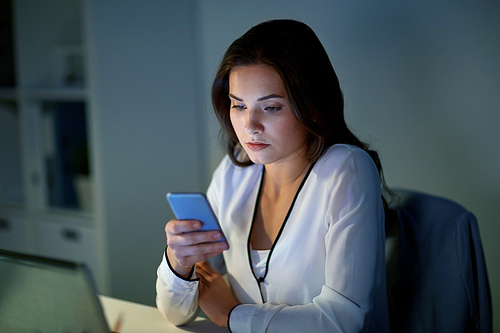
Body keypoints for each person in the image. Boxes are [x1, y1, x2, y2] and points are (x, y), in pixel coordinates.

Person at [156, 19, 390, 332]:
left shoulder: (347, 170)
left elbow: (342, 321)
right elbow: (175, 315)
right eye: (239, 106)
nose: (250, 125)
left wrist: (233, 314)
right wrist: (179, 264)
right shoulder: (234, 171)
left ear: (313, 106)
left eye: (271, 108)